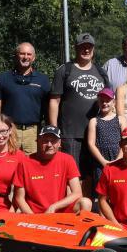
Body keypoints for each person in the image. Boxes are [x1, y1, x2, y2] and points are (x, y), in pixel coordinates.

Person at [49, 33, 110, 170]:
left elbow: (110, 100)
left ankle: (87, 193)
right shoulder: (65, 70)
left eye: (89, 47)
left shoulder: (101, 72)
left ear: (93, 49)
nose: (86, 50)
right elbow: (54, 101)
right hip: (70, 133)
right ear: (76, 48)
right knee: (72, 173)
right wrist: (54, 130)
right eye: (83, 47)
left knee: (91, 175)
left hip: (96, 133)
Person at [0, 42, 50, 154]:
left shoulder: (43, 80)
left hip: (33, 133)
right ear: (16, 55)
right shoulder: (3, 79)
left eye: (29, 54)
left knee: (31, 166)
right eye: (22, 54)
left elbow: (49, 109)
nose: (25, 57)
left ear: (34, 58)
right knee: (9, 164)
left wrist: (49, 131)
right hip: (9, 131)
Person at [12, 126, 90, 214]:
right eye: (45, 140)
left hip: (59, 211)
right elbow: (19, 198)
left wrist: (54, 206)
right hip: (34, 214)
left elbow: (77, 193)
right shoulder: (24, 163)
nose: (49, 144)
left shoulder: (67, 159)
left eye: (53, 141)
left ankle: (78, 227)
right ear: (37, 141)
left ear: (59, 143)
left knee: (86, 202)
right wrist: (33, 218)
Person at [84, 87, 121, 197]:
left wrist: (118, 160)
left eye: (108, 100)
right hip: (100, 162)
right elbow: (91, 144)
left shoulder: (121, 119)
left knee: (119, 190)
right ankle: (102, 214)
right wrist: (103, 162)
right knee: (102, 194)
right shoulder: (94, 121)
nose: (104, 103)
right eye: (102, 100)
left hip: (118, 160)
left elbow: (125, 141)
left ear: (113, 102)